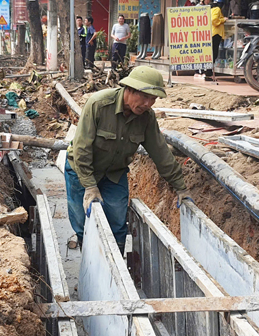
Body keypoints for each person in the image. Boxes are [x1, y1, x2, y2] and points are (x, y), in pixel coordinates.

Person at [64, 66, 191, 252]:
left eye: (153, 99)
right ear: (129, 90)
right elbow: (82, 149)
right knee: (83, 219)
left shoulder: (146, 118)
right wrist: (90, 186)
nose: (148, 104)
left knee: (117, 221)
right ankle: (88, 254)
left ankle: (117, 265)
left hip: (114, 174)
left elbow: (161, 153)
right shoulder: (98, 105)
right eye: (145, 97)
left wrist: (181, 187)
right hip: (81, 171)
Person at [209, 0, 227, 80]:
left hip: (213, 33)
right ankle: (209, 72)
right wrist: (223, 20)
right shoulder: (217, 9)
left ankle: (209, 71)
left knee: (212, 53)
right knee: (213, 53)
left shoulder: (212, 9)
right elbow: (214, 20)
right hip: (215, 34)